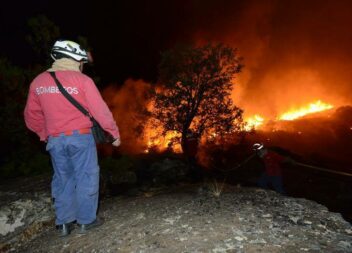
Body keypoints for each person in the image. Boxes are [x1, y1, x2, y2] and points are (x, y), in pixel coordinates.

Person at [24, 40, 121, 237]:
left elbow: (31, 116)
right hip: (80, 138)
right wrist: (114, 134)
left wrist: (44, 134)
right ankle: (87, 220)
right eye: (81, 61)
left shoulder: (38, 82)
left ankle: (64, 223)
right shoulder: (83, 81)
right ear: (73, 59)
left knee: (62, 179)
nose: (82, 64)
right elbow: (100, 111)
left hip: (55, 140)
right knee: (86, 176)